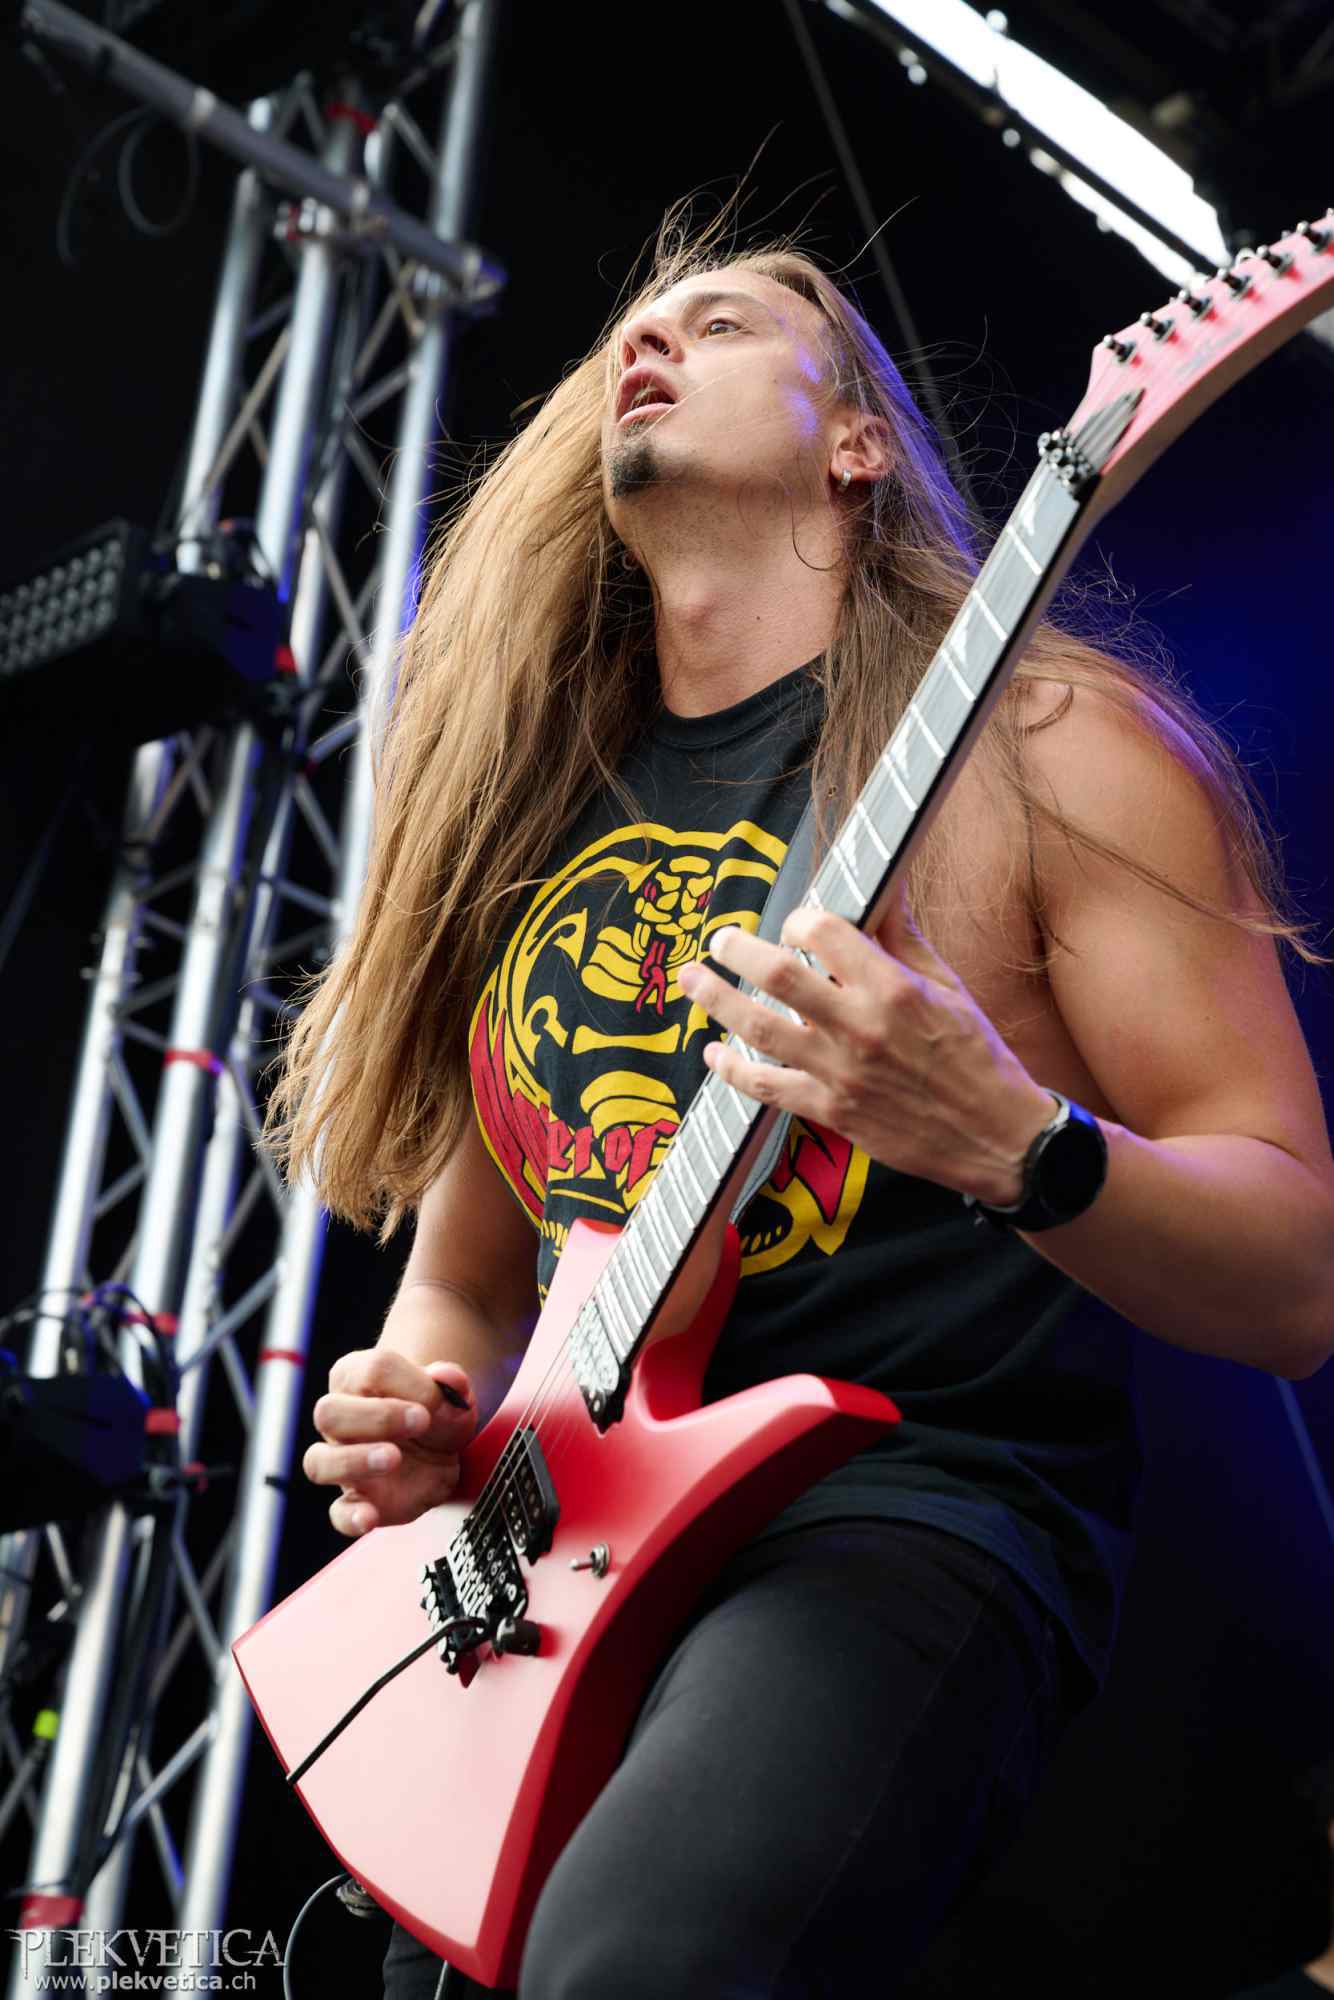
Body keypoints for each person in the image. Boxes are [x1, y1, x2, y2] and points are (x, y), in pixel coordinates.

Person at [266, 206, 1334, 1998]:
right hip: (546, 1567)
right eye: (635, 326)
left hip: (905, 1502)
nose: (646, 340)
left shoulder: (1045, 748)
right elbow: (467, 1280)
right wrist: (419, 1409)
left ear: (854, 444)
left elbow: (1296, 1273)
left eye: (724, 322)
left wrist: (1011, 1142)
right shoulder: (533, 826)